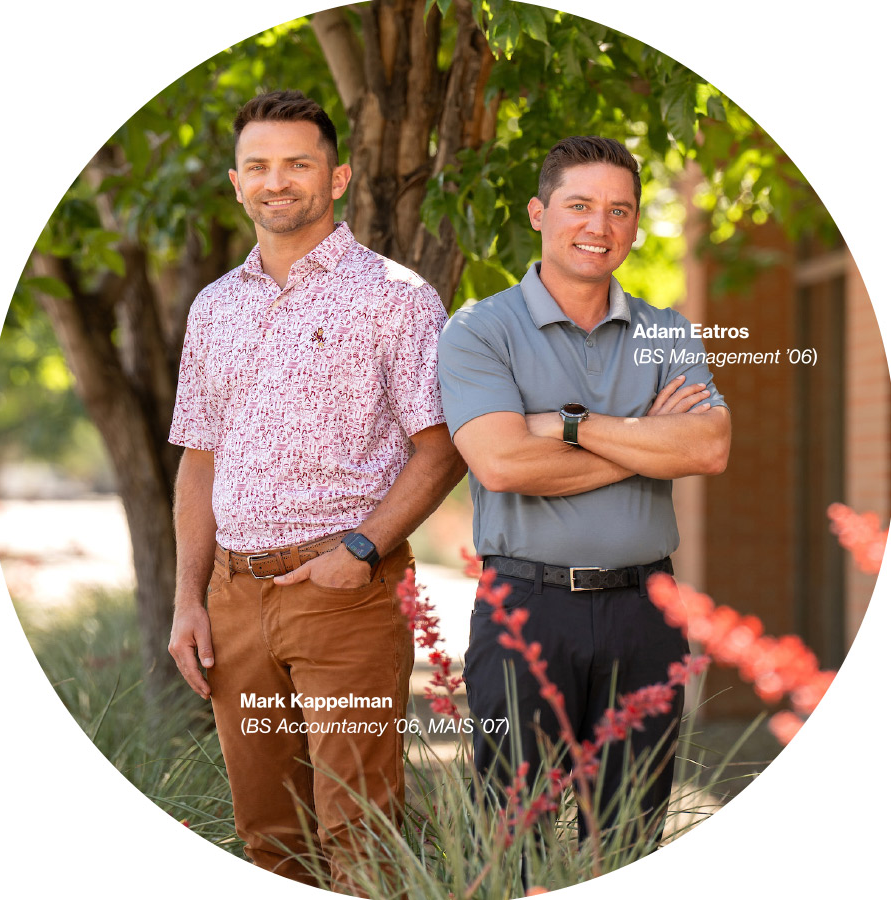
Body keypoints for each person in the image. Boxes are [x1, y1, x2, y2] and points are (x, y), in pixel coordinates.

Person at [167, 90, 465, 890]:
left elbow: (441, 451)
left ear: (337, 178)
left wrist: (360, 551)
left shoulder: (396, 297)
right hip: (232, 598)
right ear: (236, 183)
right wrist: (188, 599)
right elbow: (200, 462)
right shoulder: (214, 306)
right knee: (270, 838)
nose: (278, 181)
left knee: (359, 832)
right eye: (259, 165)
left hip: (346, 598)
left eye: (298, 163)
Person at [438, 136, 731, 849]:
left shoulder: (667, 332)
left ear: (634, 225)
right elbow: (503, 463)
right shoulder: (482, 328)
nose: (599, 226)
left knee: (630, 837)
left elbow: (708, 446)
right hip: (523, 616)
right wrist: (645, 445)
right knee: (516, 837)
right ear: (539, 213)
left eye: (619, 210)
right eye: (579, 205)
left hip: (646, 616)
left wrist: (570, 427)